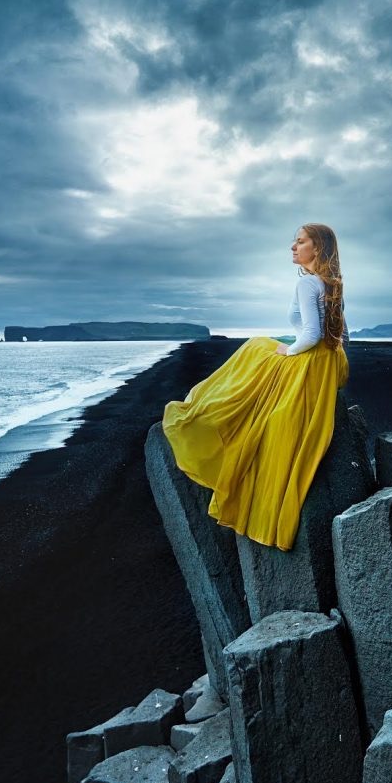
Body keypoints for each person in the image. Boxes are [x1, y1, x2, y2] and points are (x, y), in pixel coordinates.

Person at [161, 223, 349, 551]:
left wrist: (288, 351)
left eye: (300, 242)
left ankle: (204, 406)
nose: (292, 246)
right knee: (260, 346)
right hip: (329, 364)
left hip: (310, 361)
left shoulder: (307, 285)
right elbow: (339, 336)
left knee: (256, 347)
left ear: (316, 249)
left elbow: (311, 335)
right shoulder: (331, 284)